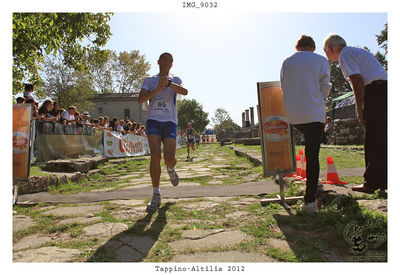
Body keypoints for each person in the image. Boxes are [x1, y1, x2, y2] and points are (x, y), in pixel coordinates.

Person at [323, 34, 387, 194]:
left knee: (373, 139)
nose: (328, 57)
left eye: (326, 52)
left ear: (331, 49)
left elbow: (358, 81)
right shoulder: (356, 52)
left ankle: (371, 183)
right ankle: (384, 180)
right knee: (382, 137)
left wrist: (359, 108)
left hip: (377, 91)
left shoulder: (345, 54)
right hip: (384, 90)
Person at [280, 35, 332, 214]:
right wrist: (317, 99)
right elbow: (325, 87)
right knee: (312, 156)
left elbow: (283, 85)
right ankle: (309, 202)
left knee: (287, 147)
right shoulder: (320, 60)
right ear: (312, 47)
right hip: (313, 113)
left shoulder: (287, 62)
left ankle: (282, 179)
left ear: (298, 47)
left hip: (292, 114)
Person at [138, 52, 188, 212]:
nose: (167, 62)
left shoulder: (176, 79)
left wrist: (168, 84)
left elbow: (184, 92)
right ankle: (156, 194)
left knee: (169, 158)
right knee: (155, 156)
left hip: (170, 122)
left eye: (170, 60)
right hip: (153, 120)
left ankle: (171, 169)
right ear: (158, 61)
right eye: (164, 59)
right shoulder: (149, 80)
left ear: (172, 64)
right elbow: (140, 99)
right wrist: (157, 89)